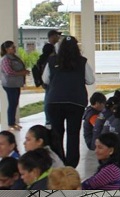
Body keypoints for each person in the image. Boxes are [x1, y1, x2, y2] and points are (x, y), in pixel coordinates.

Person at [43, 35, 95, 167]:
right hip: (75, 102)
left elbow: (45, 80)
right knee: (73, 134)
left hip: (54, 101)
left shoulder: (52, 60)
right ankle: (71, 165)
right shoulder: (82, 62)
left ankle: (58, 163)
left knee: (56, 134)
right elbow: (90, 80)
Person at [0, 40, 29, 131]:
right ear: (7, 49)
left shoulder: (14, 57)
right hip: (9, 84)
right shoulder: (5, 59)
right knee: (12, 103)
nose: (14, 49)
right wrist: (22, 73)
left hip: (16, 84)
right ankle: (10, 123)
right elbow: (9, 72)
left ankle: (13, 122)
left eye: (14, 47)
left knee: (15, 103)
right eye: (12, 47)